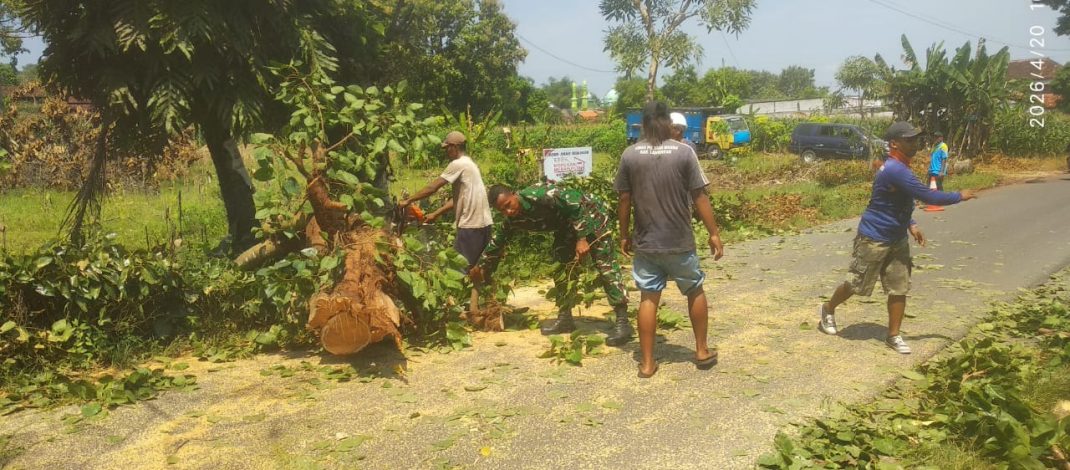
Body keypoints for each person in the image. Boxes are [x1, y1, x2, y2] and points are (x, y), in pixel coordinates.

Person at [817, 122, 977, 354]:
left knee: (899, 286)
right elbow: (924, 194)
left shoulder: (900, 168)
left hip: (897, 237)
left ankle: (893, 335)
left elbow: (902, 200)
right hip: (874, 237)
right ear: (894, 143)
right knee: (856, 284)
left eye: (916, 139)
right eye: (910, 140)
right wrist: (959, 196)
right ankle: (828, 308)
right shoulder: (895, 169)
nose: (916, 143)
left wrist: (911, 224)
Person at [615, 101, 724, 378]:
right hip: (679, 240)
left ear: (644, 124)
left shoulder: (630, 155)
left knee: (648, 298)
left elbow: (624, 199)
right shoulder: (684, 153)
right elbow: (700, 196)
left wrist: (624, 235)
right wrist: (714, 233)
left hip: (646, 242)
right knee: (694, 290)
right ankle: (701, 351)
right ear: (666, 122)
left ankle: (648, 363)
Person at [474, 182, 634, 346]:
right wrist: (481, 265)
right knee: (560, 265)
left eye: (509, 204)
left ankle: (623, 322)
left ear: (514, 194)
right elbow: (497, 242)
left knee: (605, 265)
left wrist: (582, 238)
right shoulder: (512, 220)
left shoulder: (537, 195)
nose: (509, 211)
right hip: (567, 225)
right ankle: (565, 318)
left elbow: (575, 202)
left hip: (591, 215)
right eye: (503, 210)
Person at [399, 131, 493, 311]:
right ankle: (478, 307)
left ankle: (447, 310)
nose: (445, 151)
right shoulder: (470, 164)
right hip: (484, 223)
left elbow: (433, 187)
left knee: (455, 268)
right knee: (477, 268)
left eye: (447, 148)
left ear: (454, 147)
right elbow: (459, 197)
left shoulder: (457, 164)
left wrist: (408, 201)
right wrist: (436, 213)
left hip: (471, 224)